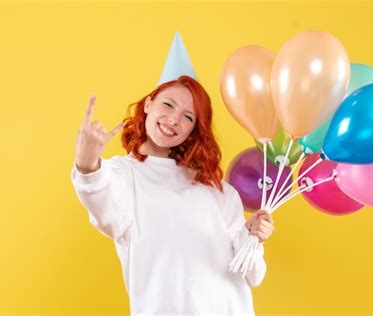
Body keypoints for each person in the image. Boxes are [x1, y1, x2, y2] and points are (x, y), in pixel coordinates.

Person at [71, 75, 275, 315]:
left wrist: (252, 238)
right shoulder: (123, 175)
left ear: (191, 131)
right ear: (148, 104)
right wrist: (86, 165)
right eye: (168, 104)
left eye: (188, 117)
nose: (174, 120)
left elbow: (253, 274)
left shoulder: (216, 190)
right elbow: (104, 207)